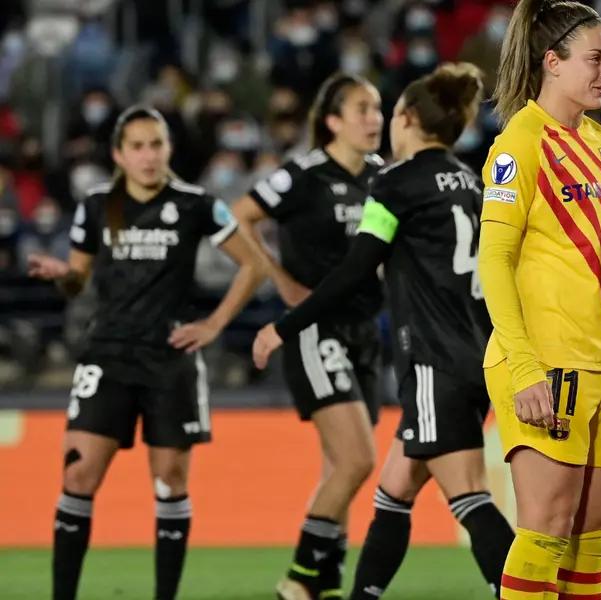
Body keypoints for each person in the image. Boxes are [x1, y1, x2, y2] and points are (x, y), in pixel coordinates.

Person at [252, 62, 515, 600]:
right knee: (393, 491)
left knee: (469, 494)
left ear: (408, 118)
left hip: (433, 358)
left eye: (390, 112)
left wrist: (285, 325)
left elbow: (355, 268)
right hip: (475, 352)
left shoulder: (394, 184)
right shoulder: (471, 183)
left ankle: (524, 592)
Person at [28, 105, 267, 600]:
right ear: (119, 154)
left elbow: (253, 264)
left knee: (170, 482)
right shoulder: (98, 205)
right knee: (78, 473)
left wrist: (214, 324)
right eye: (137, 146)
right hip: (108, 355)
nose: (148, 155)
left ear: (168, 149)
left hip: (169, 358)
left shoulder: (197, 204)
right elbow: (78, 280)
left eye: (156, 144)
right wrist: (63, 276)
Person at [479, 0, 601, 597]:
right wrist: (525, 368)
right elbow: (494, 260)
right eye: (596, 58)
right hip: (545, 362)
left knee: (591, 543)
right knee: (545, 530)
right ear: (553, 62)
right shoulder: (519, 143)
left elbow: (590, 252)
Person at [231, 73, 386, 599]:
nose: (374, 119)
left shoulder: (382, 177)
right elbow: (240, 217)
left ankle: (326, 581)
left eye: (377, 108)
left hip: (366, 328)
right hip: (317, 328)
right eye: (362, 109)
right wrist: (280, 281)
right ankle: (297, 580)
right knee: (358, 459)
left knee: (340, 465)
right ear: (333, 121)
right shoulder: (302, 173)